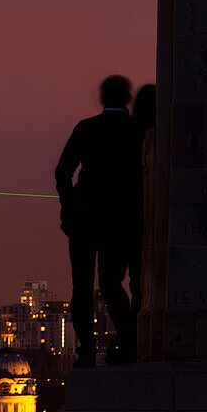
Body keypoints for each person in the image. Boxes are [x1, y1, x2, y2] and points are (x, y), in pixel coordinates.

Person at [55, 75, 142, 367]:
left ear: (102, 98)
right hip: (119, 221)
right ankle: (127, 339)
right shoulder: (137, 132)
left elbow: (62, 171)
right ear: (127, 98)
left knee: (81, 287)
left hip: (84, 219)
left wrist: (70, 204)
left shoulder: (87, 128)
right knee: (111, 283)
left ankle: (87, 350)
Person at [129, 83, 156, 316]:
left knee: (135, 279)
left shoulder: (130, 134)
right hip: (155, 214)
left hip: (131, 213)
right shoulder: (164, 136)